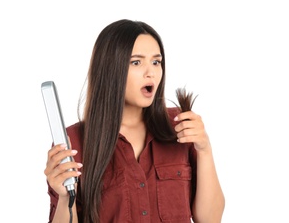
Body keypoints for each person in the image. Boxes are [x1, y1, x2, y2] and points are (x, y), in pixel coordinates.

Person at [44, 19, 225, 223]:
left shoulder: (180, 126)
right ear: (111, 69)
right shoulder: (74, 143)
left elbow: (210, 219)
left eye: (156, 62)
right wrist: (65, 197)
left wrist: (204, 149)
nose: (151, 72)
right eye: (136, 62)